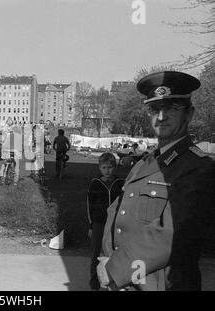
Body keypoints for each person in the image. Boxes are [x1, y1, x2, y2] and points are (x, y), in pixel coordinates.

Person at [97, 71, 215, 291]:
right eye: (154, 109)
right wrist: (106, 259)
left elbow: (172, 232)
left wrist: (115, 268)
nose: (161, 117)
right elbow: (115, 213)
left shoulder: (198, 168)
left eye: (172, 108)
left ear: (189, 114)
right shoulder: (144, 163)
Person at [87, 152, 124, 290]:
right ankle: (94, 284)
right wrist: (91, 226)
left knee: (114, 252)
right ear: (99, 168)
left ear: (114, 167)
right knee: (96, 253)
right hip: (99, 223)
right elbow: (89, 205)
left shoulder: (120, 183)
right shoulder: (95, 183)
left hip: (115, 223)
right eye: (104, 167)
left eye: (109, 167)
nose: (107, 170)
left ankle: (115, 283)